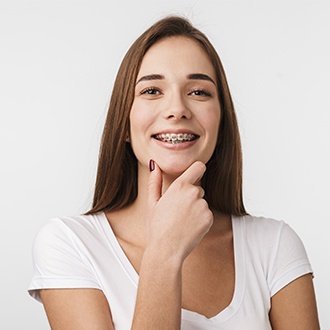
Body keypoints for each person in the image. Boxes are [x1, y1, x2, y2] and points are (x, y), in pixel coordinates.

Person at [28, 16, 320, 329]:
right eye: (152, 91)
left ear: (221, 123)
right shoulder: (70, 244)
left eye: (199, 92)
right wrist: (164, 253)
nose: (177, 108)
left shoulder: (274, 246)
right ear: (124, 125)